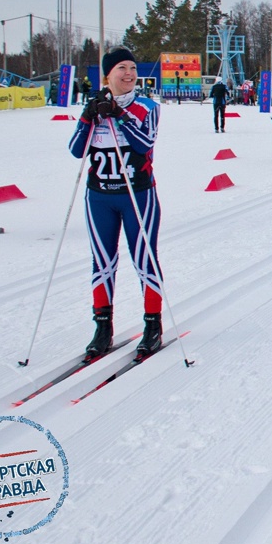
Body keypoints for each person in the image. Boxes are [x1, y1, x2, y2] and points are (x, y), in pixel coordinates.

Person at [67, 48, 164, 361]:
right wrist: (88, 115)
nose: (129, 74)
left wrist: (118, 115)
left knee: (144, 260)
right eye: (121, 68)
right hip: (100, 197)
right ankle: (102, 327)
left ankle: (152, 325)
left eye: (133, 68)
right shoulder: (95, 106)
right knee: (102, 262)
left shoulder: (147, 106)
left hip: (137, 195)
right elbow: (76, 150)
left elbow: (144, 143)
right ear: (107, 75)